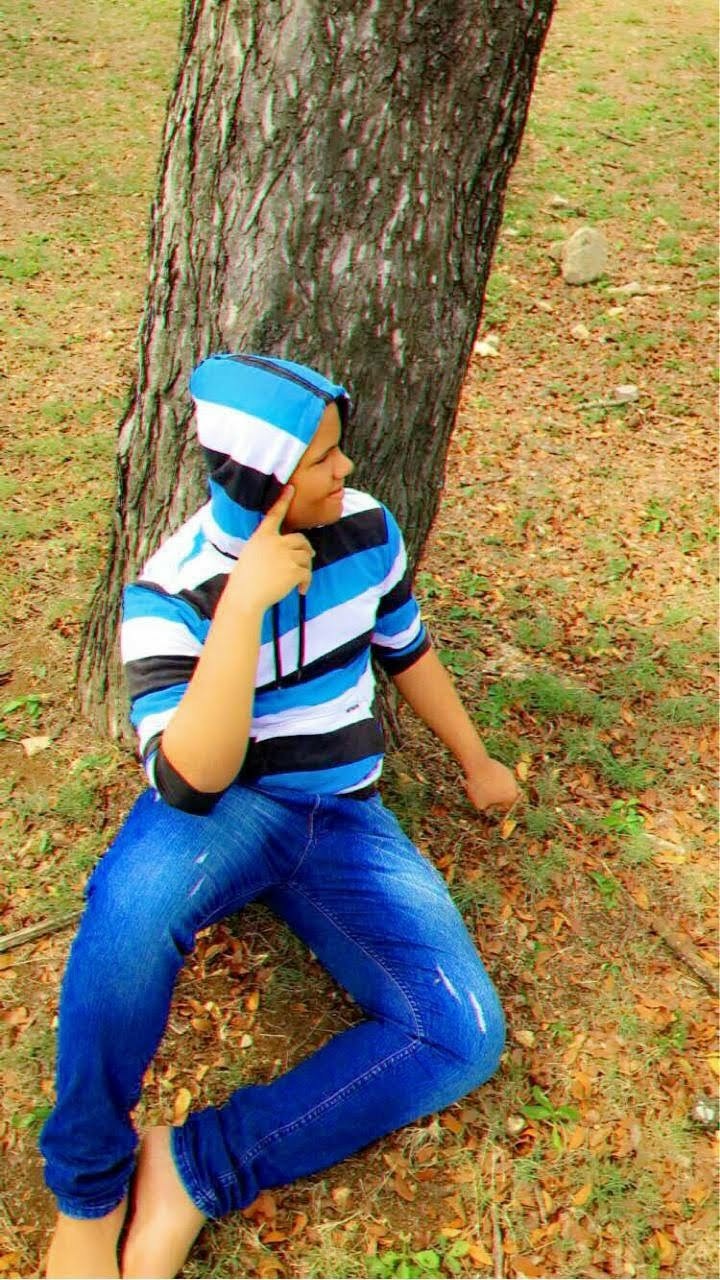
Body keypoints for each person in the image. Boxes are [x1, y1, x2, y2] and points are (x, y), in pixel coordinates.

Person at [39, 353, 520, 1278]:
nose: (347, 470)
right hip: (226, 809)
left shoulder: (367, 527)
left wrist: (476, 760)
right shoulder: (167, 593)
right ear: (263, 482)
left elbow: (406, 649)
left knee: (460, 1034)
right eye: (323, 459)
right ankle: (88, 1197)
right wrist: (243, 607)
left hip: (342, 816)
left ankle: (194, 1170)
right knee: (125, 919)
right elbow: (193, 782)